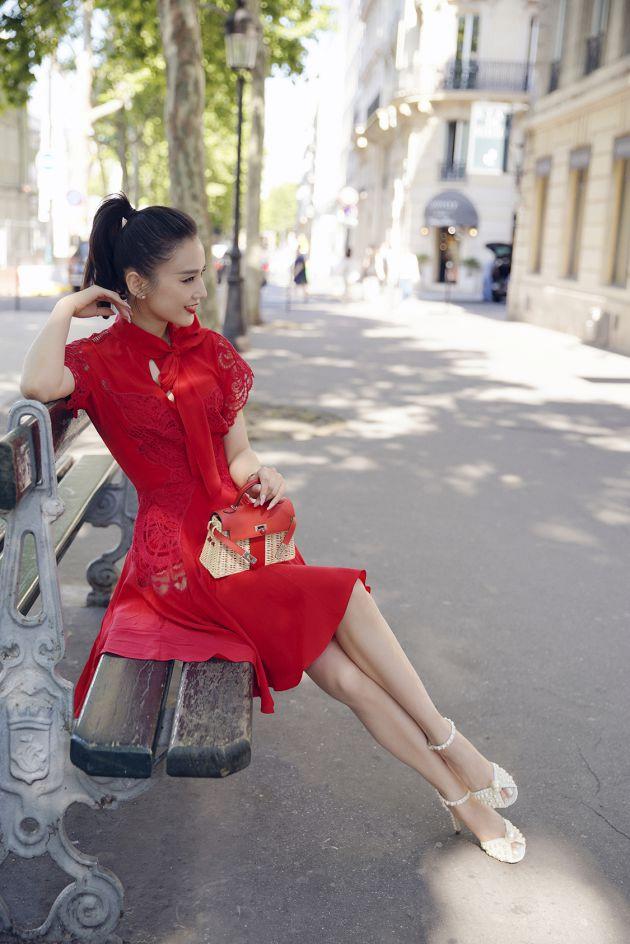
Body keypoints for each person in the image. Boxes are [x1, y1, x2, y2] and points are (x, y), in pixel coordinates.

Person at [20, 192, 525, 865]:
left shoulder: (209, 350)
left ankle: (459, 796)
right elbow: (36, 385)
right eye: (188, 279)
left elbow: (239, 453)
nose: (203, 291)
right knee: (345, 597)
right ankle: (452, 745)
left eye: (204, 275)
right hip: (180, 564)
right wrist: (64, 309)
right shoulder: (100, 361)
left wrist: (263, 473)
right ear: (137, 284)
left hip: (240, 535)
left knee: (345, 676)